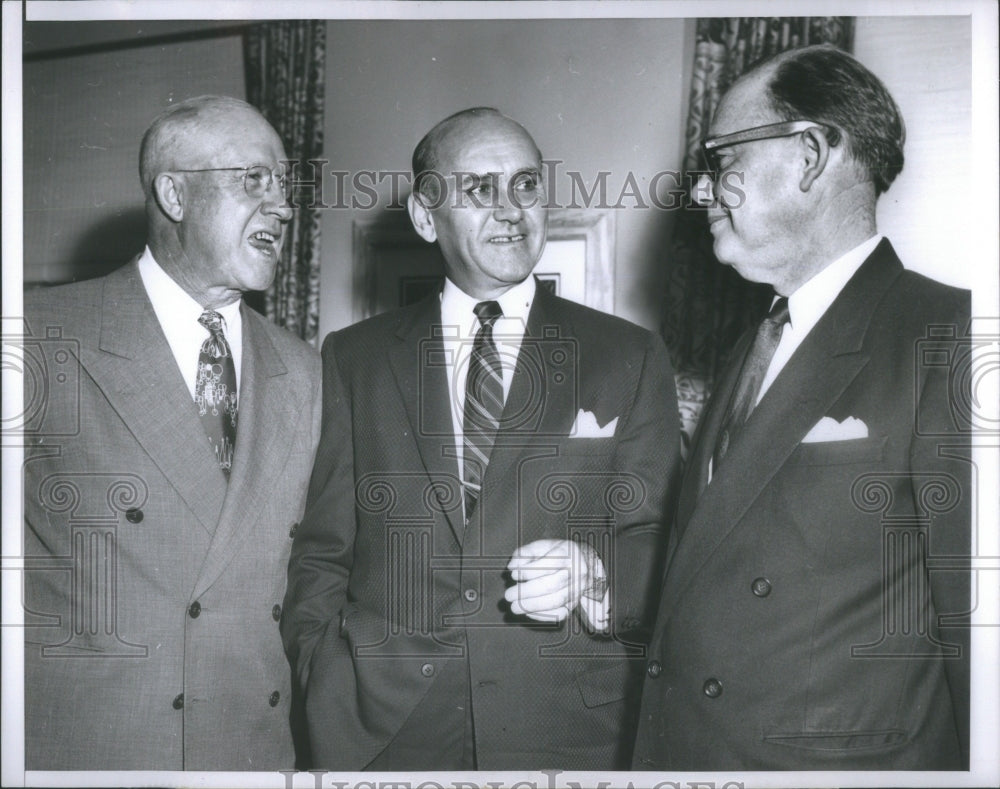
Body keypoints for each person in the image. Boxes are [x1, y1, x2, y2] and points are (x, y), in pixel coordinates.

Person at [282, 107, 681, 770]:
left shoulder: (629, 355)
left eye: (525, 184)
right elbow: (323, 551)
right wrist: (319, 672)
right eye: (479, 189)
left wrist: (594, 571)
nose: (510, 209)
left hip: (567, 731)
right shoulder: (354, 357)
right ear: (424, 216)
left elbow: (663, 541)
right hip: (386, 730)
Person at [632, 45, 971, 771]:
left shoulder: (953, 336)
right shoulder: (750, 346)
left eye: (724, 159)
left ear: (811, 156)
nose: (702, 190)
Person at [22, 95, 322, 770]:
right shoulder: (37, 336)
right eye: (255, 179)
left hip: (249, 753)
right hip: (90, 752)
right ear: (175, 194)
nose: (282, 206)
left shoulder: (306, 371)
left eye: (284, 186)